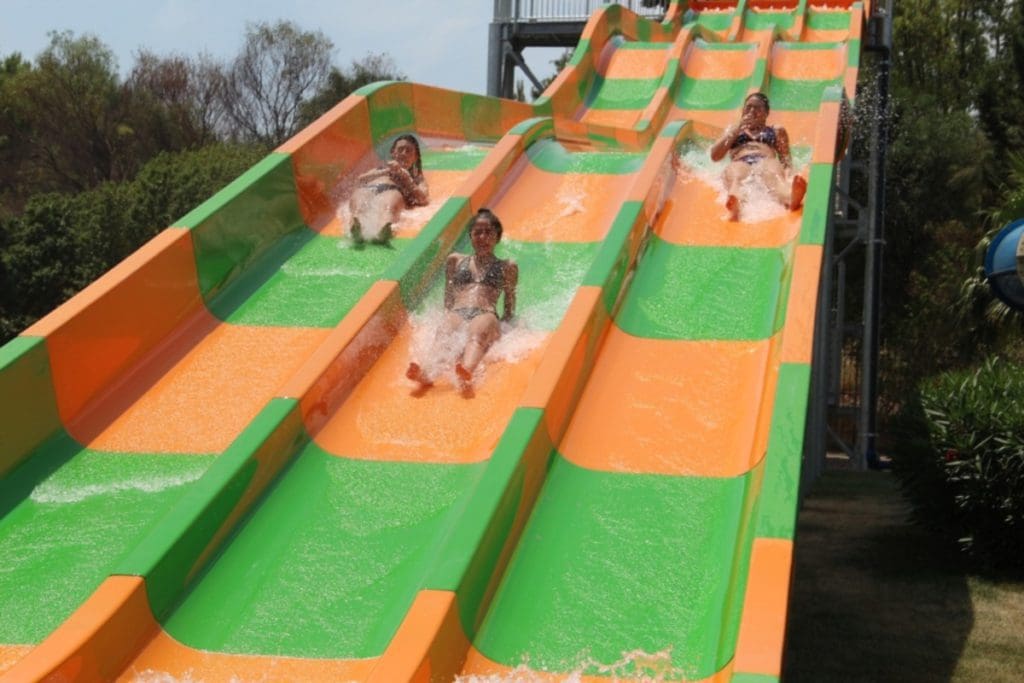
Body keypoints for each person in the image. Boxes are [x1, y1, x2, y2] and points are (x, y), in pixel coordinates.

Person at [406, 208, 519, 397]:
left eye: (488, 232)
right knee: (444, 335)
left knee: (476, 337)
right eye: (477, 232)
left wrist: (503, 329)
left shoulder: (507, 266)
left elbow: (509, 303)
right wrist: (448, 318)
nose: (482, 237)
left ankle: (466, 370)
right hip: (458, 311)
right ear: (471, 236)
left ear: (497, 237)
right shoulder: (455, 260)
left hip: (485, 313)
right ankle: (426, 373)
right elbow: (448, 298)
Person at [709, 92, 807, 221]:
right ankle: (735, 203)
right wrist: (737, 128)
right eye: (748, 107)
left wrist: (788, 174)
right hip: (740, 161)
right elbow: (715, 156)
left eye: (757, 108)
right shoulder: (733, 130)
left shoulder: (776, 130)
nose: (752, 111)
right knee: (736, 175)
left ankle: (790, 196)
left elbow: (786, 160)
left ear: (766, 114)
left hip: (766, 160)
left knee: (774, 176)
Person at [349, 134, 429, 245]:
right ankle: (356, 226)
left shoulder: (416, 178)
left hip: (392, 190)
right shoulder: (380, 169)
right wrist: (385, 171)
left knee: (388, 207)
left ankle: (384, 228)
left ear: (415, 157)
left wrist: (405, 177)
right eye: (400, 149)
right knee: (359, 203)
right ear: (393, 152)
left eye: (408, 151)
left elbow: (423, 199)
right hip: (369, 187)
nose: (403, 154)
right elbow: (360, 180)